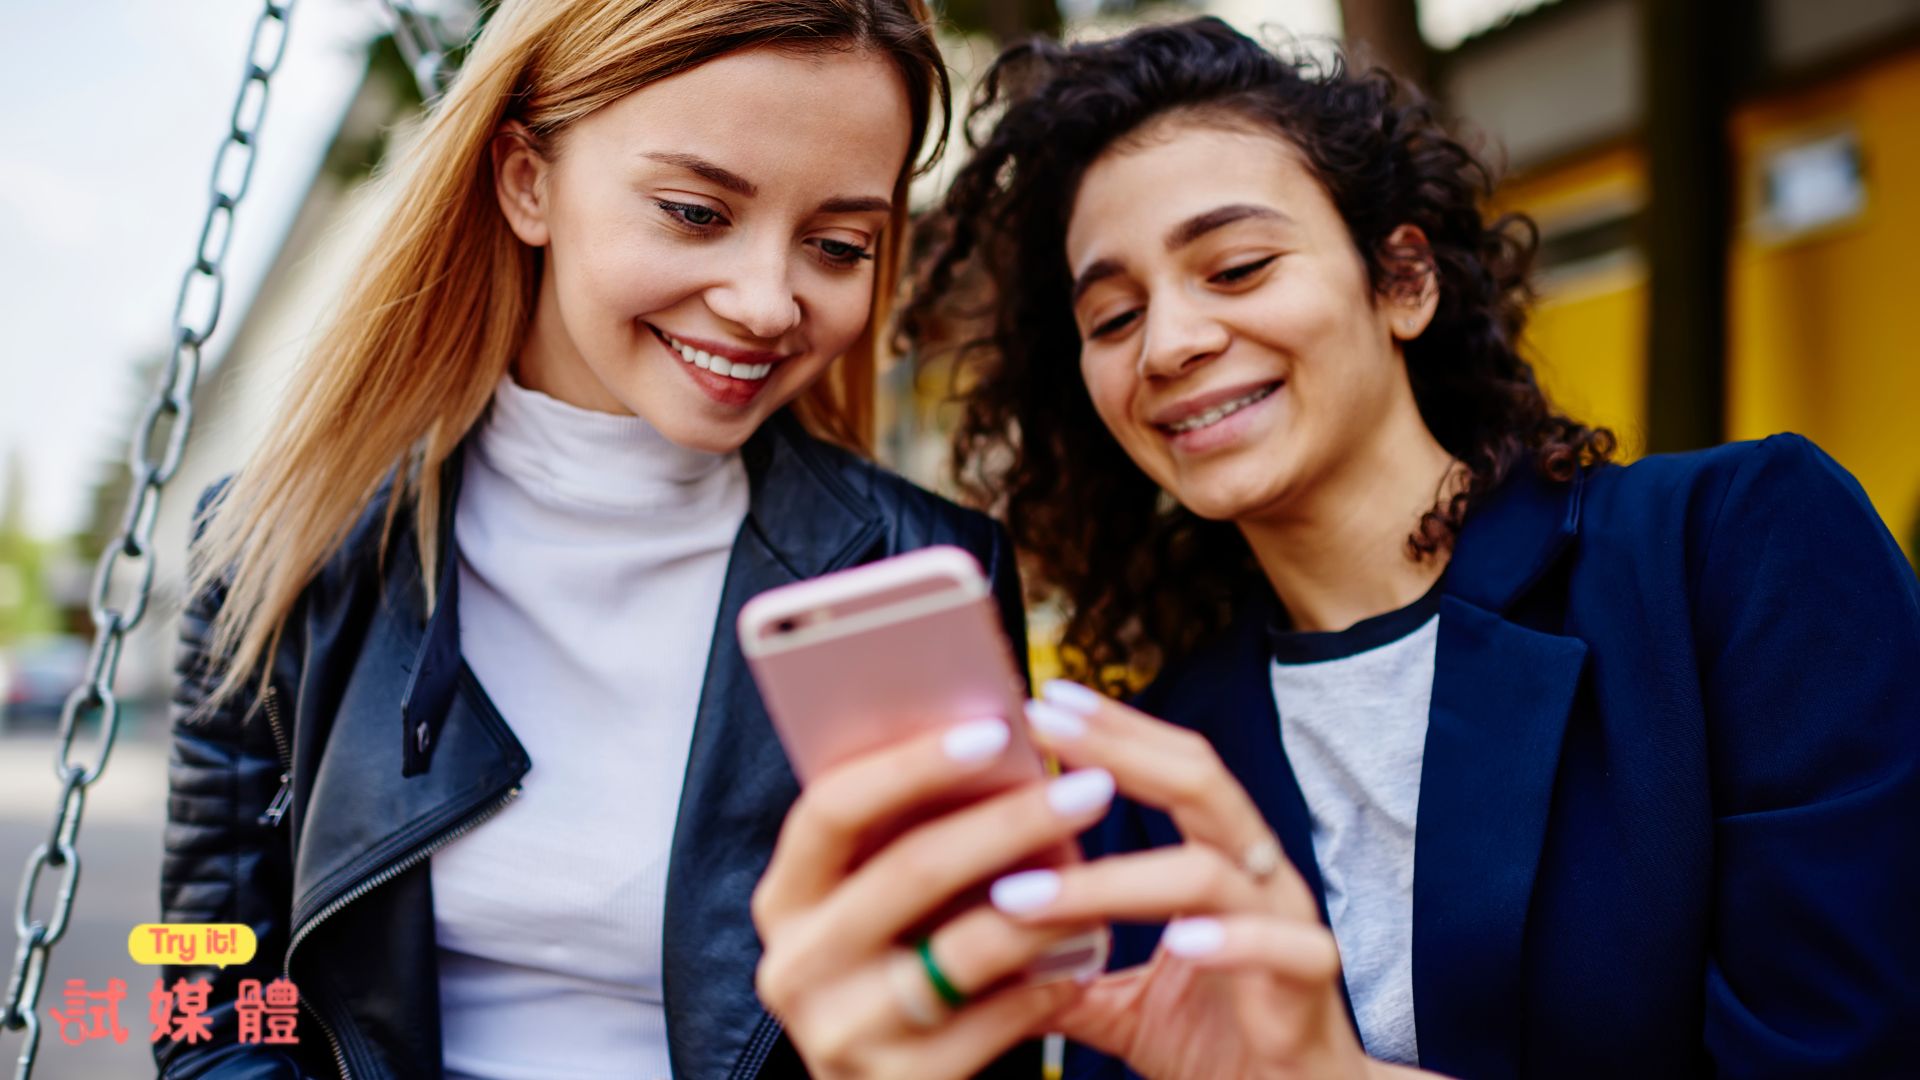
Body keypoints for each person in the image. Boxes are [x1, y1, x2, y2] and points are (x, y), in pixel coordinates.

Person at [753, 16, 1920, 1079]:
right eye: (1112, 316)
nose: (1170, 342)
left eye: (1239, 267)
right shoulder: (1148, 766)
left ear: (1401, 279)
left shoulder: (1739, 553)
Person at [155, 2, 1049, 1077]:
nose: (768, 303)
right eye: (694, 212)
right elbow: (206, 998)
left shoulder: (915, 578)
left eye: (836, 244)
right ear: (527, 180)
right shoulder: (278, 548)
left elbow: (972, 1021)